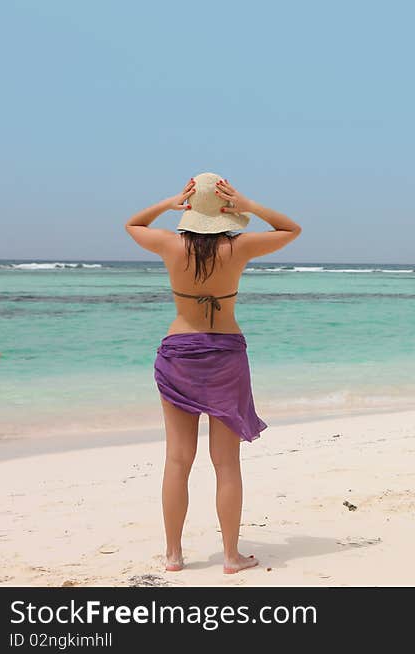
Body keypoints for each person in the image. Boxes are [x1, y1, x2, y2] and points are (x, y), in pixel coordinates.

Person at [125, 172, 302, 574]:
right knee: (225, 463)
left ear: (190, 209)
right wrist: (249, 205)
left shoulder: (170, 244)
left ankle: (173, 555)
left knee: (177, 460)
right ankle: (230, 556)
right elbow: (291, 229)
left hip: (179, 352)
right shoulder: (239, 248)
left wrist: (169, 202)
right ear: (226, 211)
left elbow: (132, 224)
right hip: (225, 354)